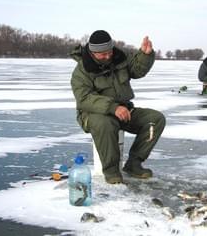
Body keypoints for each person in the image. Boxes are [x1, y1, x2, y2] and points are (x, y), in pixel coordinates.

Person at [70, 30, 166, 184]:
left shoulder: (119, 58)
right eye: (102, 54)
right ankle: (111, 171)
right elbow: (84, 98)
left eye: (109, 52)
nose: (107, 56)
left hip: (124, 110)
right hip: (92, 114)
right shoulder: (82, 71)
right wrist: (113, 108)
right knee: (105, 123)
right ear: (92, 52)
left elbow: (137, 70)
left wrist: (145, 55)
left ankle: (134, 164)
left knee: (155, 119)